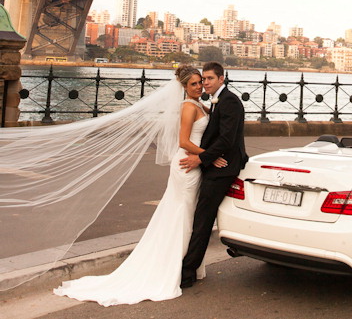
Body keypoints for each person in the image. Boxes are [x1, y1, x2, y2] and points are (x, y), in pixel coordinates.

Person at [53, 65, 225, 306]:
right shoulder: (188, 106)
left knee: (184, 217)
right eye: (194, 84)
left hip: (193, 165)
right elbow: (183, 141)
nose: (199, 86)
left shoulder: (198, 105)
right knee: (182, 218)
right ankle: (174, 269)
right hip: (187, 165)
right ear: (184, 87)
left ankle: (184, 266)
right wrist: (210, 155)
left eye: (200, 82)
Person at [180, 61, 248, 289]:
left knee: (203, 219)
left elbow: (227, 139)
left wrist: (201, 158)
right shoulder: (217, 101)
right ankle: (189, 268)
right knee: (202, 218)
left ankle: (187, 273)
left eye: (209, 79)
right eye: (203, 79)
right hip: (216, 165)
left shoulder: (228, 101)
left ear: (221, 79)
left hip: (222, 169)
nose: (205, 83)